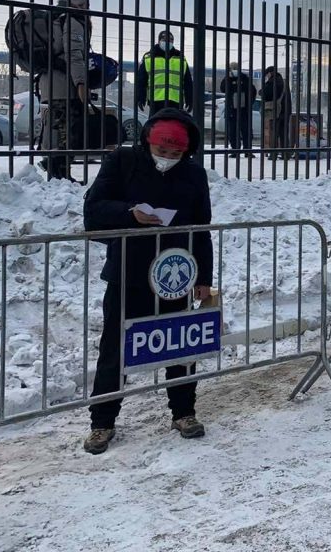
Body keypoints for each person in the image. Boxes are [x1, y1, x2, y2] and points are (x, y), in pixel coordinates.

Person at [82, 109, 212, 455]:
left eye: (176, 153)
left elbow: (202, 228)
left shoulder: (194, 174)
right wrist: (130, 214)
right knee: (115, 349)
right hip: (128, 271)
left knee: (181, 345)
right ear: (147, 142)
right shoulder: (122, 162)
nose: (167, 158)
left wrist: (203, 277)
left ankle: (183, 412)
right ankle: (102, 421)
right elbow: (94, 210)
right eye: (161, 150)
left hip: (175, 273)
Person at [38, 0, 91, 182]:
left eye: (86, 5)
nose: (85, 9)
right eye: (81, 5)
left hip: (52, 84)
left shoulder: (58, 20)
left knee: (58, 130)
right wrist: (81, 83)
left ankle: (57, 171)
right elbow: (74, 54)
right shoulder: (72, 22)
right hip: (63, 86)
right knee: (67, 132)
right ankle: (60, 174)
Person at [136, 31, 194, 115]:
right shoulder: (149, 57)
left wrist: (189, 99)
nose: (168, 42)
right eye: (165, 39)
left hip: (175, 101)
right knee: (156, 122)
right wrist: (140, 97)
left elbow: (187, 81)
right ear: (159, 41)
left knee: (174, 123)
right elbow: (141, 80)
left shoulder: (180, 57)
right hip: (155, 101)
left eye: (171, 40)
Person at [219, 61, 257, 156]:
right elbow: (223, 88)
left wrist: (248, 102)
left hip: (241, 110)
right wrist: (228, 78)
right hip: (235, 109)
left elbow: (252, 91)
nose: (234, 70)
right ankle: (238, 150)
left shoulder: (243, 78)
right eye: (233, 69)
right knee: (235, 131)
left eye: (235, 69)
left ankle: (244, 150)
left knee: (243, 131)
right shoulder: (229, 78)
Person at [260, 66, 292, 158]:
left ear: (270, 73)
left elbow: (265, 94)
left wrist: (261, 91)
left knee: (274, 132)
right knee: (284, 133)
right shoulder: (284, 82)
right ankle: (286, 153)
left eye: (267, 74)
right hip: (286, 111)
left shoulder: (272, 82)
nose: (267, 76)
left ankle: (273, 153)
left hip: (276, 111)